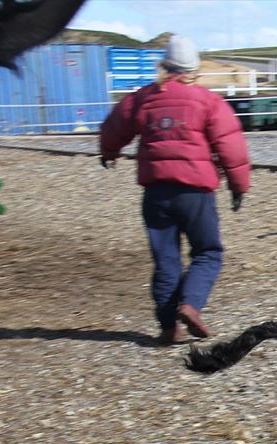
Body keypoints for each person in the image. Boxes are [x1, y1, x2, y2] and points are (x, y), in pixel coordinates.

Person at [99, 35, 250, 344]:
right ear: (194, 69)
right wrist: (238, 187)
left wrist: (109, 152)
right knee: (207, 252)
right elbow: (230, 146)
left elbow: (114, 127)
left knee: (166, 259)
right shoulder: (208, 101)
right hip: (196, 193)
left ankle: (169, 327)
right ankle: (191, 305)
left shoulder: (143, 99)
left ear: (164, 66)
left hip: (156, 192)